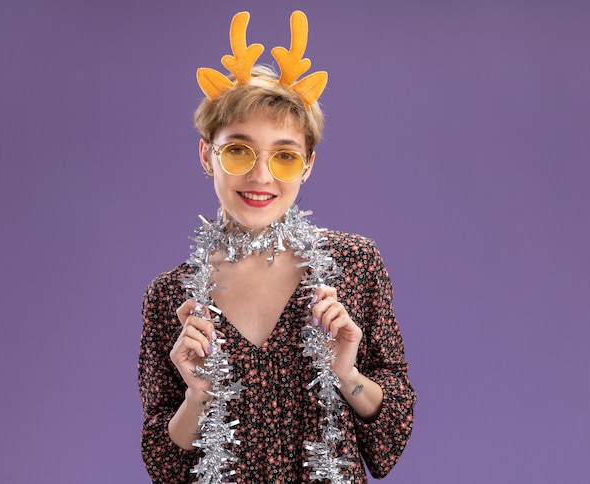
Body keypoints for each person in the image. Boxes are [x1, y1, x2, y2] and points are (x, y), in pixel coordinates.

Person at [138, 11, 415, 483]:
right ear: (208, 155)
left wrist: (345, 372)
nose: (261, 176)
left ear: (307, 165)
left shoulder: (353, 266)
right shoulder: (172, 297)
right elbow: (165, 464)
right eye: (239, 150)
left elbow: (389, 436)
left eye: (284, 156)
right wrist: (199, 393)